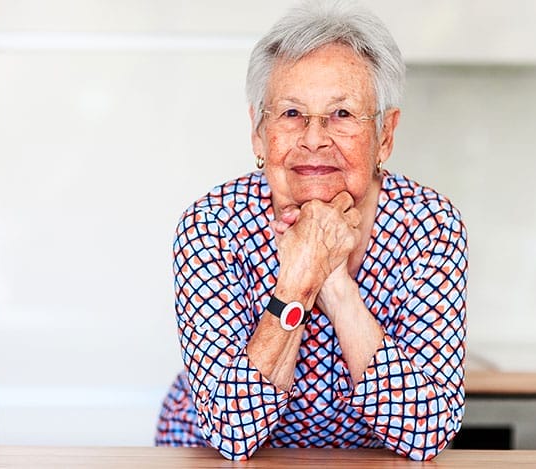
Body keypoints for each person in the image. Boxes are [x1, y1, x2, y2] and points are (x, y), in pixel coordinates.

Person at [155, 0, 467, 461]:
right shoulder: (212, 226)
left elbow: (427, 434)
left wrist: (336, 284)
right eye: (291, 113)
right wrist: (299, 280)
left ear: (385, 135)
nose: (314, 137)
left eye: (342, 114)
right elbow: (231, 434)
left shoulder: (431, 226)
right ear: (259, 133)